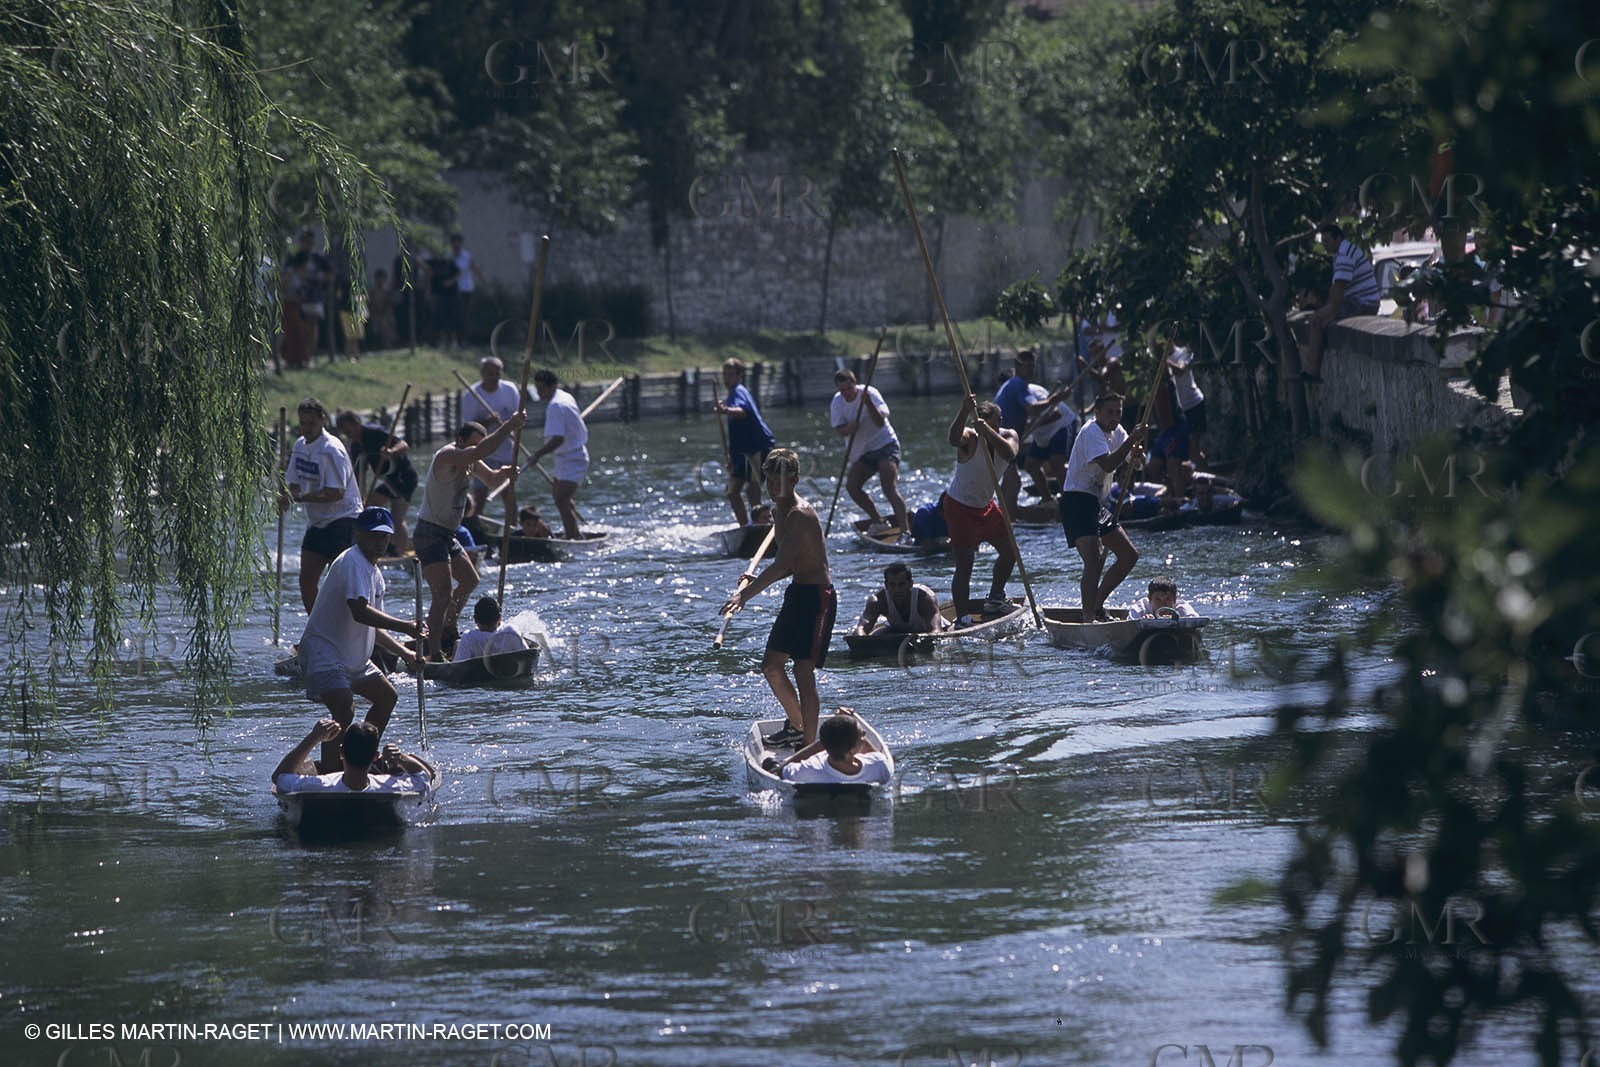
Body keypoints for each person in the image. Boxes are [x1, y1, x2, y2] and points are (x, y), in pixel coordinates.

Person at [296, 506, 426, 770]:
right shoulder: (352, 561)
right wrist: (407, 626)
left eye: (384, 536)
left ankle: (360, 759)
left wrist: (406, 653)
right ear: (358, 534)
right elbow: (359, 611)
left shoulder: (375, 574)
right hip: (326, 651)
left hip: (354, 657)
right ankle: (332, 773)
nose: (379, 542)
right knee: (344, 710)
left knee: (387, 697)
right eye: (373, 535)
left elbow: (374, 629)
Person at [722, 449, 835, 748]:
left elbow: (782, 564)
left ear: (795, 480)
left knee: (802, 670)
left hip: (817, 597)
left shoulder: (800, 514)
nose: (773, 489)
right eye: (769, 482)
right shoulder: (777, 513)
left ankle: (810, 745)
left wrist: (743, 595)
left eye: (779, 483)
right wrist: (753, 580)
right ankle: (799, 725)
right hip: (797, 593)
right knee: (771, 666)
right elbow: (790, 565)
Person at [413, 414, 527, 661]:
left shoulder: (471, 460)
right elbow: (481, 450)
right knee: (442, 593)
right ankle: (434, 652)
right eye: (473, 444)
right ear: (459, 440)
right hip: (429, 532)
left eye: (479, 445)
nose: (477, 450)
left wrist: (505, 473)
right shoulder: (448, 455)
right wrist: (509, 425)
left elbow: (492, 478)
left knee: (469, 580)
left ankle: (446, 626)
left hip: (447, 533)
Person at [1059, 393, 1148, 625]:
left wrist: (1138, 455)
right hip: (1077, 500)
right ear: (1097, 412)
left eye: (1118, 412)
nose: (1115, 417)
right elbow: (1108, 463)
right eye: (1110, 412)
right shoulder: (1091, 432)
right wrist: (1131, 442)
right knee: (1094, 559)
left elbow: (1135, 462)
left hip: (1095, 503)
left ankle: (1096, 605)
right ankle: (1088, 617)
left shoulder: (1118, 432)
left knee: (1129, 555)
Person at [941, 396, 1020, 626]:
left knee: (1010, 552)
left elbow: (1009, 454)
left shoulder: (1009, 435)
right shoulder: (970, 437)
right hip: (959, 507)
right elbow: (954, 438)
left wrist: (989, 432)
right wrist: (964, 411)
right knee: (965, 564)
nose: (995, 427)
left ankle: (995, 597)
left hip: (985, 507)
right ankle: (963, 617)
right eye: (988, 424)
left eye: (997, 423)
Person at [281, 397, 364, 612]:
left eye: (311, 423)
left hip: (343, 519)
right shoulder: (300, 445)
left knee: (340, 585)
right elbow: (293, 485)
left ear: (323, 420)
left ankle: (348, 632)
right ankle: (316, 629)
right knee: (307, 579)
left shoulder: (331, 449)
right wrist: (285, 499)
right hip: (318, 522)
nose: (307, 428)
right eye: (303, 423)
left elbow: (336, 492)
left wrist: (301, 498)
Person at [829, 368, 909, 537]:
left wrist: (868, 404)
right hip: (864, 452)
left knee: (888, 487)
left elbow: (880, 422)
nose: (846, 394)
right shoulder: (837, 402)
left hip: (886, 445)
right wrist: (849, 428)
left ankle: (905, 530)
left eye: (849, 389)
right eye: (842, 390)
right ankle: (879, 522)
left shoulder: (870, 393)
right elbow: (840, 430)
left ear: (855, 384)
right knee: (852, 486)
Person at [1301, 221, 1381, 381]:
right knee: (1318, 318)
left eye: (1327, 241)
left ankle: (1312, 370)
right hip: (1360, 301)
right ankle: (1311, 369)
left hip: (1363, 304)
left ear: (1338, 239)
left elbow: (1338, 290)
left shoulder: (1345, 255)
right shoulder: (1342, 252)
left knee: (1316, 320)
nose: (1324, 246)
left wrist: (1327, 313)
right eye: (1322, 242)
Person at [272, 718, 435, 793]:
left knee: (305, 765)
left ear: (341, 752)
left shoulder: (318, 785)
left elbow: (279, 777)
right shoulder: (392, 787)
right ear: (375, 757)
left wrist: (313, 737)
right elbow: (426, 777)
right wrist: (400, 758)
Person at [336, 410, 418, 556]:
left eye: (349, 431)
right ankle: (387, 542)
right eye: (345, 433)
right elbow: (360, 474)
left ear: (356, 424)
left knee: (397, 516)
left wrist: (391, 451)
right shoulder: (356, 446)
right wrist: (359, 498)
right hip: (389, 481)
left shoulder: (375, 432)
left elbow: (403, 444)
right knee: (370, 506)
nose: (349, 436)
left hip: (403, 477)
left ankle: (400, 552)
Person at [714, 358, 777, 527]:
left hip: (758, 447)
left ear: (740, 376)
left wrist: (725, 410)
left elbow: (743, 412)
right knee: (732, 491)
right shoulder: (732, 394)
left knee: (752, 490)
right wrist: (732, 459)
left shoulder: (739, 391)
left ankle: (761, 524)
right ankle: (745, 528)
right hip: (742, 453)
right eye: (724, 375)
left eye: (731, 375)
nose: (726, 379)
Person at [461, 356, 526, 519]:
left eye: (496, 373)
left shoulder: (510, 390)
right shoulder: (472, 395)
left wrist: (509, 424)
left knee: (509, 493)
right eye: (489, 373)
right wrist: (488, 421)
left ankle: (512, 528)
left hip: (506, 450)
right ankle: (477, 525)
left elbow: (519, 417)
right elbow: (467, 427)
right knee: (480, 493)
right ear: (482, 373)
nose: (493, 377)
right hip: (481, 452)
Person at [528, 369, 590, 540]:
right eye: (537, 388)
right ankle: (573, 531)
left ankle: (573, 537)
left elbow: (558, 439)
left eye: (542, 388)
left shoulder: (556, 405)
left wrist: (537, 455)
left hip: (573, 457)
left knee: (561, 498)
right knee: (560, 495)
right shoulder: (564, 396)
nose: (539, 392)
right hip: (567, 456)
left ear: (552, 386)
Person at [762, 708, 892, 785]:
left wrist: (821, 743)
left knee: (769, 763)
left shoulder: (807, 771)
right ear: (851, 751)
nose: (864, 735)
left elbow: (779, 771)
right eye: (862, 735)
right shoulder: (878, 767)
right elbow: (877, 757)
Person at [993, 348, 1047, 512]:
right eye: (1027, 366)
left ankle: (1004, 513)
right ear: (1017, 366)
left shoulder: (1016, 384)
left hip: (1005, 438)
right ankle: (1008, 518)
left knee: (1011, 479)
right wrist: (1054, 400)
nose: (1031, 370)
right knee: (1013, 480)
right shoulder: (1018, 384)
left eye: (1033, 366)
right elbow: (1031, 409)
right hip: (1000, 438)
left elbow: (1025, 415)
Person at [853, 562, 945, 636]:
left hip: (929, 631)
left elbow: (936, 631)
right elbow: (862, 628)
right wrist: (860, 637)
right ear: (886, 585)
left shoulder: (923, 598)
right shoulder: (878, 600)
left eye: (901, 584)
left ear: (910, 584)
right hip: (897, 632)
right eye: (892, 585)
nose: (897, 590)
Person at [1022, 381, 1077, 500]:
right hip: (1042, 434)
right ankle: (1047, 499)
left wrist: (1032, 425)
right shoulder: (1010, 400)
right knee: (1031, 465)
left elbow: (1056, 414)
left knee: (1057, 463)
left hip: (1061, 425)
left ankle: (1067, 500)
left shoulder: (1033, 391)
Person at [452, 596, 530, 662]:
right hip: (506, 671)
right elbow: (528, 657)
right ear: (499, 617)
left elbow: (457, 667)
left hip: (477, 675)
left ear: (475, 620)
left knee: (457, 643)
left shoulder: (468, 637)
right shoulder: (511, 631)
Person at [1167, 345, 1206, 468]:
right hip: (1182, 409)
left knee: (1194, 448)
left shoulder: (1184, 352)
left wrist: (1164, 361)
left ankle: (1205, 477)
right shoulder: (1166, 358)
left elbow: (1180, 370)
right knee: (1188, 450)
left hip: (1194, 403)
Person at [442, 232, 481, 350]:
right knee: (451, 315)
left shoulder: (466, 256)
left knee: (463, 315)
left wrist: (483, 284)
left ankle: (462, 340)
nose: (456, 245)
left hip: (465, 289)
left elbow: (471, 270)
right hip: (451, 291)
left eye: (458, 242)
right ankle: (449, 340)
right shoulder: (449, 256)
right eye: (454, 243)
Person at [1128, 575, 1200, 619]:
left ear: (1174, 600)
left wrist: (1178, 621)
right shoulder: (1139, 609)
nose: (1163, 605)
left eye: (1167, 599)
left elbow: (1197, 624)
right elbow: (1129, 629)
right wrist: (1146, 622)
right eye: (1158, 600)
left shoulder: (1182, 608)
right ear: (1150, 599)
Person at [369, 268, 398, 350]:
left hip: (386, 314)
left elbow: (388, 305)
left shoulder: (387, 292)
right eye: (378, 279)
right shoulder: (372, 292)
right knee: (382, 323)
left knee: (387, 321)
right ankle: (385, 344)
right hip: (375, 315)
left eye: (382, 279)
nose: (380, 281)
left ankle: (388, 343)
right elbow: (370, 305)